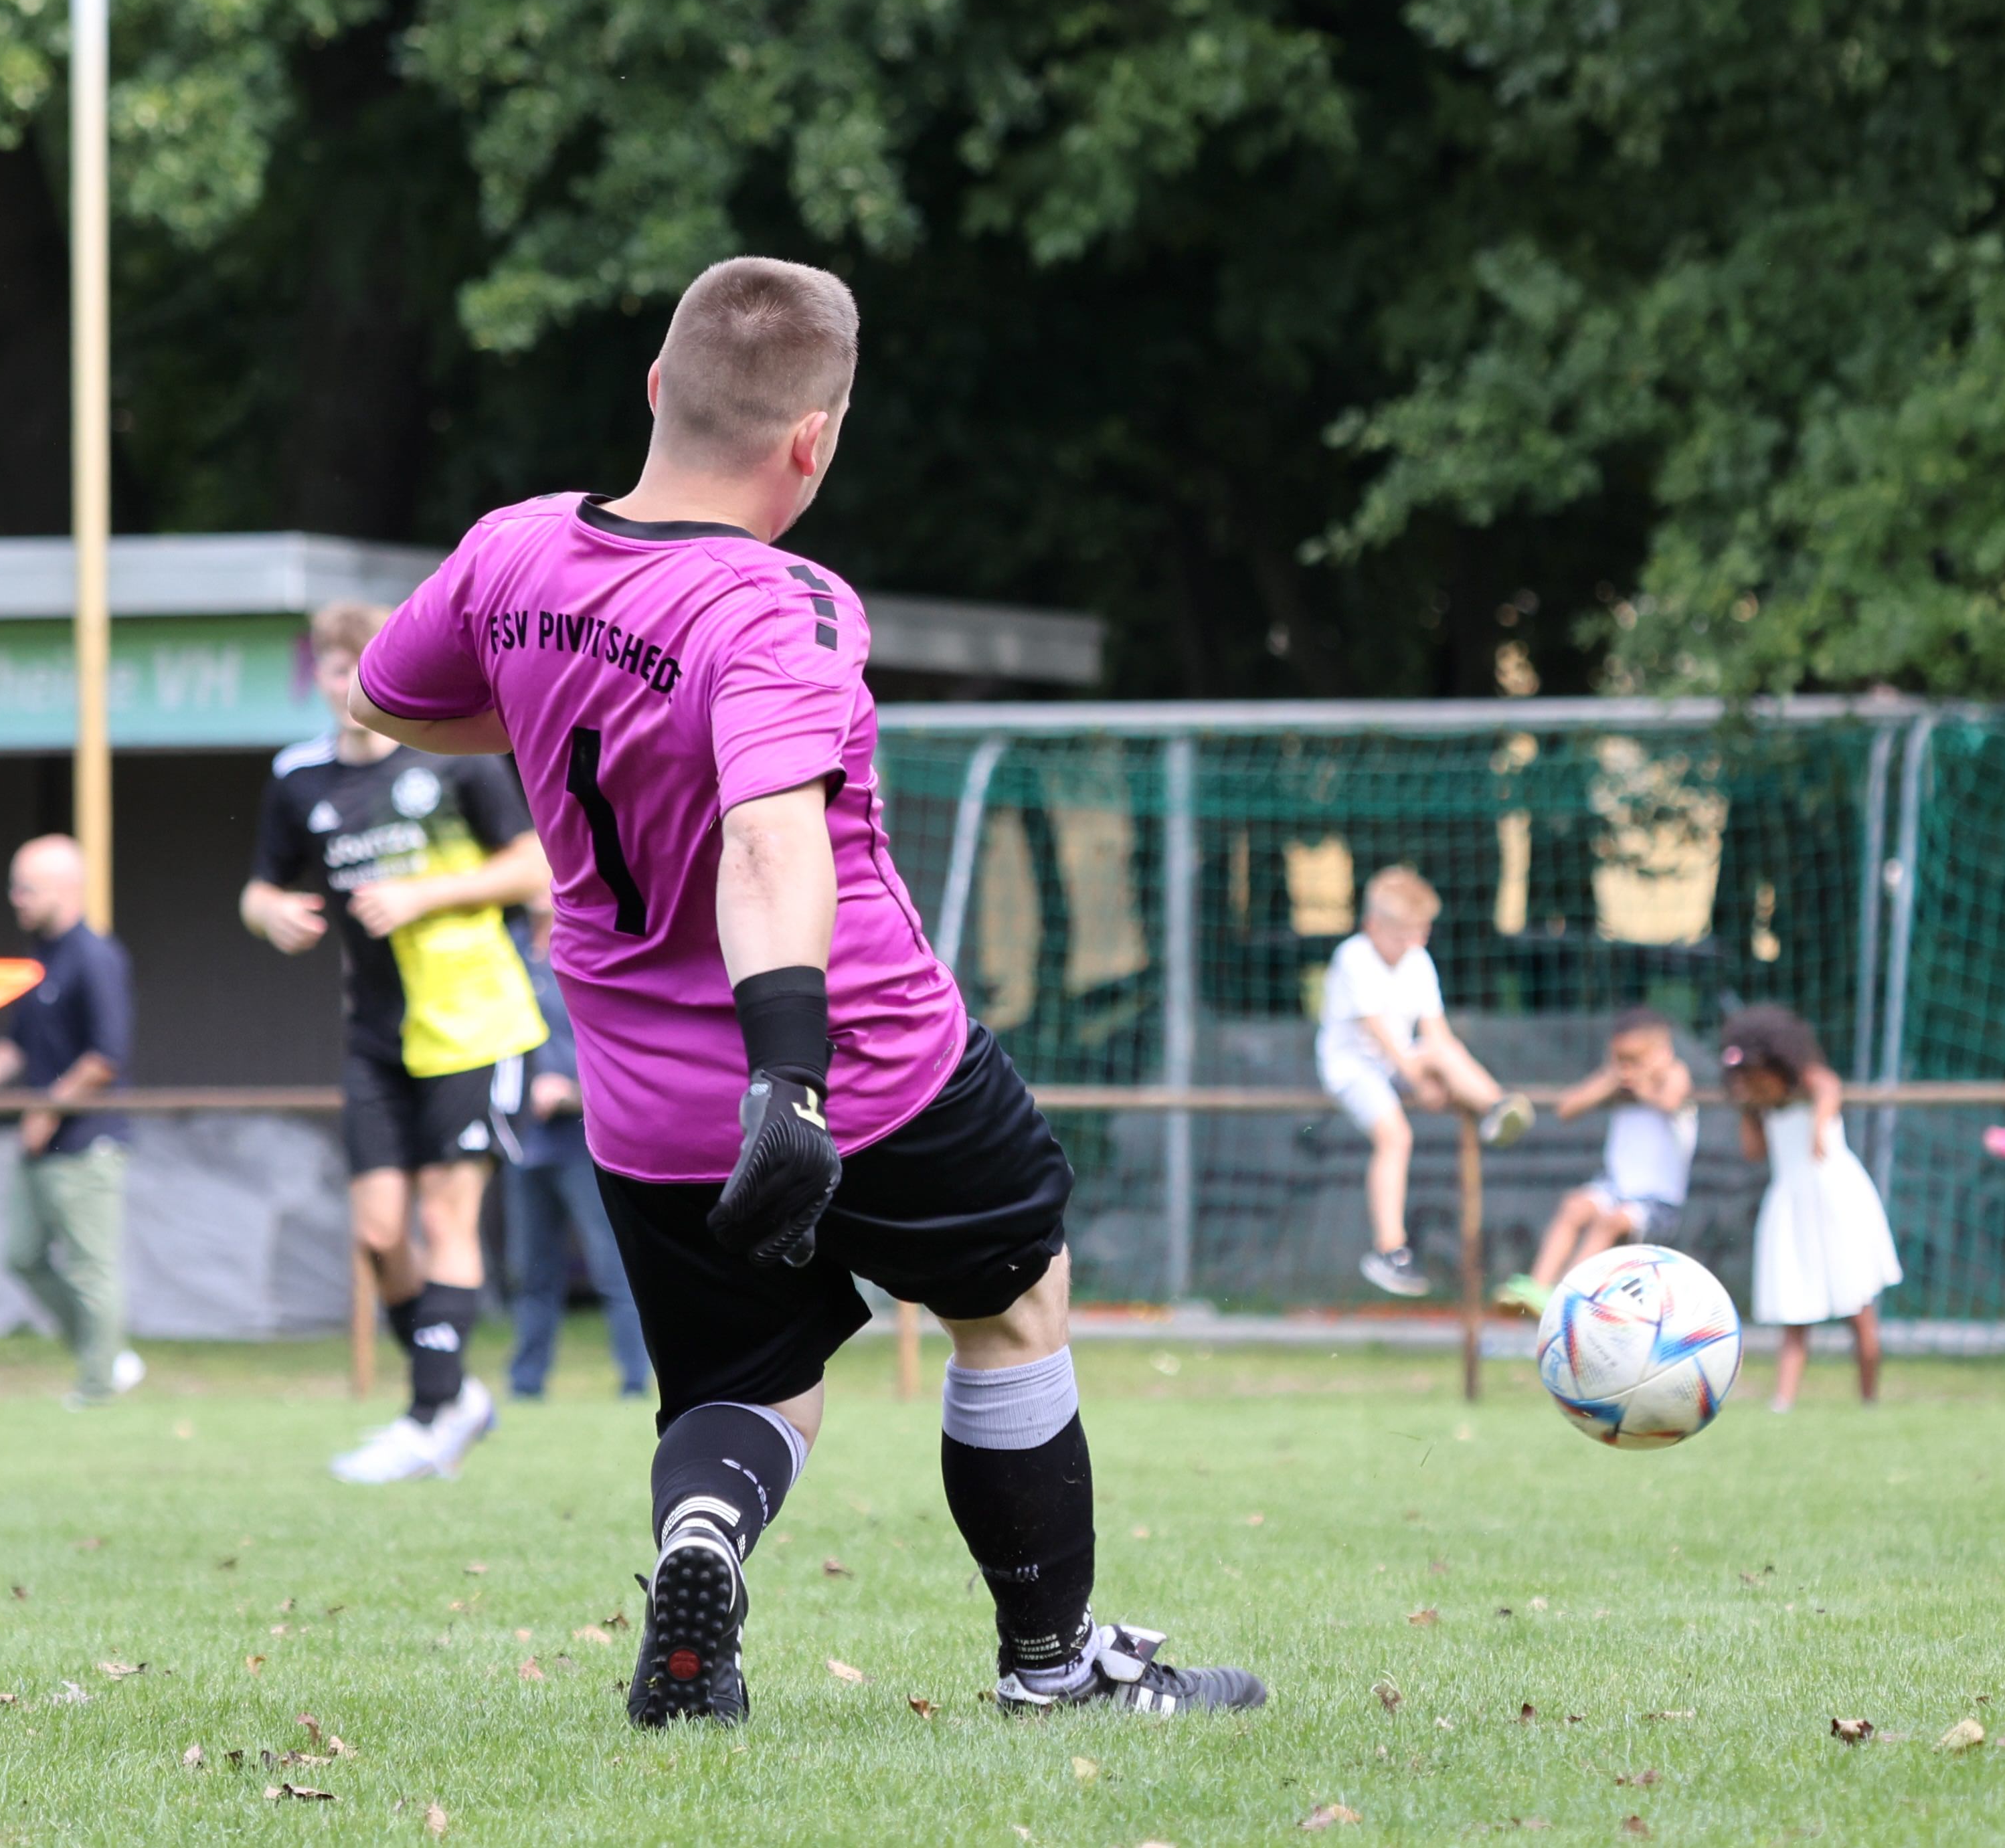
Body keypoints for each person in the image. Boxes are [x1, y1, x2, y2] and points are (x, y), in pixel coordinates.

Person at [348, 253, 1266, 1725]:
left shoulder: (511, 552)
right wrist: (790, 1077)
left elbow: (383, 699)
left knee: (742, 1375)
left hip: (646, 1099)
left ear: (657, 383)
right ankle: (1050, 1665)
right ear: (812, 437)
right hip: (866, 1059)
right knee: (1013, 1301)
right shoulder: (785, 604)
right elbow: (772, 843)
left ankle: (702, 1540)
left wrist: (551, 702)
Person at [244, 597, 551, 1483]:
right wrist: (271, 914)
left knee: (447, 1217)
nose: (347, 683)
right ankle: (454, 1398)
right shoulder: (299, 778)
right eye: (333, 667)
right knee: (380, 1231)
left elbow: (535, 866)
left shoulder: (454, 759)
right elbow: (259, 889)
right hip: (375, 1032)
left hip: (472, 1020)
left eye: (362, 665)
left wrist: (423, 894)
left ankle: (428, 1411)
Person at [0, 835, 142, 1410]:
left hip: (88, 1140)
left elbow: (106, 1055)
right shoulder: (39, 958)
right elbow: (19, 1041)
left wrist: (49, 1107)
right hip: (40, 1144)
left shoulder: (96, 956)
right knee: (22, 1255)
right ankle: (109, 1355)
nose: (15, 898)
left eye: (27, 887)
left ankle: (98, 1384)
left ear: (65, 888)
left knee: (93, 1266)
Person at [1314, 866, 1537, 1297]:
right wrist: (1418, 1079)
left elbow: (1436, 1032)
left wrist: (1444, 1076)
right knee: (1395, 1136)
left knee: (1445, 1052)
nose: (1413, 944)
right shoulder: (1353, 956)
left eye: (1421, 933)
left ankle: (1495, 1106)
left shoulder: (1417, 960)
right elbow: (1376, 1028)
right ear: (1372, 926)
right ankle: (1389, 1251)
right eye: (1402, 936)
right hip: (1352, 1068)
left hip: (1397, 1064)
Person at [1722, 1002, 1902, 1409]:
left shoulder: (1807, 1086)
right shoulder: (1762, 1108)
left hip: (1835, 1200)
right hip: (1793, 1205)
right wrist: (1746, 1110)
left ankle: (1869, 1399)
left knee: (1858, 1307)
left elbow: (1828, 1086)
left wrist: (1820, 1125)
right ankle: (1783, 1400)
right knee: (1795, 1309)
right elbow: (1754, 1152)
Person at [502, 912, 650, 1403]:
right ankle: (525, 1384)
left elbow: (625, 1041)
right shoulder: (505, 946)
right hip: (525, 1140)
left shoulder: (593, 942)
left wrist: (571, 1089)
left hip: (588, 1140)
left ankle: (636, 1381)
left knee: (614, 1265)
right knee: (531, 1271)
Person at [1501, 1007, 1699, 1312]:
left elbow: (1671, 1100)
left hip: (1658, 1202)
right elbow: (1567, 1109)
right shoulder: (1617, 1079)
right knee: (1575, 1205)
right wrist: (1609, 1082)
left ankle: (1565, 1294)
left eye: (1635, 1059)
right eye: (1620, 1060)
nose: (1626, 1068)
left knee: (1610, 1221)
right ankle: (1538, 1286)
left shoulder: (1675, 1073)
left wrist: (1642, 1086)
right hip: (1615, 1187)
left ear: (1663, 1053)